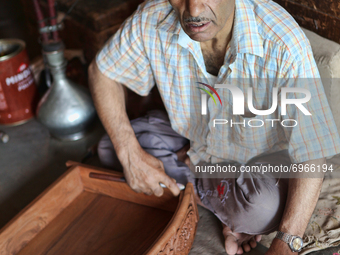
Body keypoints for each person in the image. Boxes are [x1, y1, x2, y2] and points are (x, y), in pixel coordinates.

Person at [88, 0, 340, 253]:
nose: (194, 11)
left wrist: (287, 242)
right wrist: (129, 153)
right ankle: (208, 192)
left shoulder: (282, 43)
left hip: (257, 162)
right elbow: (101, 72)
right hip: (193, 142)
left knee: (263, 208)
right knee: (111, 148)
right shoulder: (153, 16)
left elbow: (312, 149)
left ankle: (192, 183)